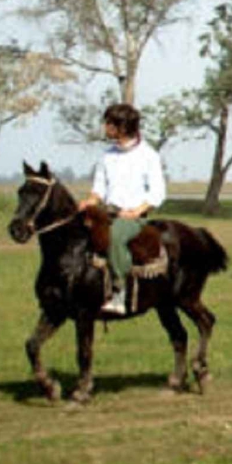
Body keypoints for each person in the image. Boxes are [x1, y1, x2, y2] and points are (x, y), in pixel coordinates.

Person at [78, 103, 167, 315]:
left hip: (133, 217)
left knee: (115, 236)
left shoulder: (148, 156)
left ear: (123, 127)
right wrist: (88, 201)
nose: (105, 127)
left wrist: (136, 211)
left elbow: (157, 193)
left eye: (109, 123)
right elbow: (98, 189)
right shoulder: (106, 156)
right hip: (107, 212)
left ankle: (119, 292)